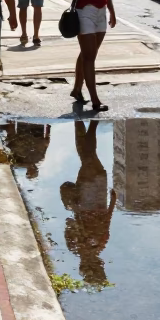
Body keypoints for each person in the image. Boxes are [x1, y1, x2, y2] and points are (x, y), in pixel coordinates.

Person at [59, 120, 115, 287]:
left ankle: (90, 125)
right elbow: (106, 222)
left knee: (88, 157)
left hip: (87, 197)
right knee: (88, 156)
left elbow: (69, 223)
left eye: (97, 265)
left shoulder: (77, 247)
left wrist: (112, 202)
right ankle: (83, 125)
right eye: (98, 264)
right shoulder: (98, 245)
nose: (98, 261)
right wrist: (112, 201)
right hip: (97, 198)